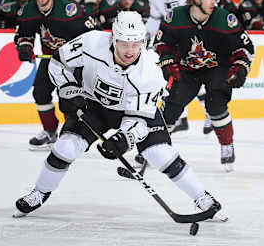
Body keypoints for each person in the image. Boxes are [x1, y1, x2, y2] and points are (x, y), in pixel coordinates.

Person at [13, 11, 225, 220]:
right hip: (92, 105)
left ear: (143, 42)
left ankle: (202, 197)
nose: (130, 50)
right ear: (113, 37)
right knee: (66, 146)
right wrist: (68, 89)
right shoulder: (91, 42)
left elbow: (139, 121)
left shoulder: (150, 70)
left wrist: (124, 139)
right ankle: (39, 193)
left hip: (133, 114)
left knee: (159, 154)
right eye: (124, 43)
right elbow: (59, 62)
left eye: (135, 44)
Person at [154, 0, 255, 172]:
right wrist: (168, 62)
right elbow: (161, 44)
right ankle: (155, 148)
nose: (213, 1)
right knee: (170, 109)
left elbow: (245, 48)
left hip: (218, 68)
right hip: (186, 68)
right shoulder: (174, 17)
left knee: (215, 105)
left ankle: (227, 145)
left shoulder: (225, 19)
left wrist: (240, 67)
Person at [14, 0, 96, 150]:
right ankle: (50, 132)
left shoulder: (67, 9)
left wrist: (84, 59)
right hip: (50, 58)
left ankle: (73, 136)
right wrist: (25, 47)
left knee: (70, 99)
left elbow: (90, 34)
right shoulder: (28, 10)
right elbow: (23, 34)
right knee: (40, 94)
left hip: (72, 62)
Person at [145, 0, 211, 135]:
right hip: (172, 37)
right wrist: (146, 36)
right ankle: (183, 117)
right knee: (175, 77)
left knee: (192, 76)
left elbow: (208, 0)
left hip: (194, 36)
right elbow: (155, 17)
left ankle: (207, 112)